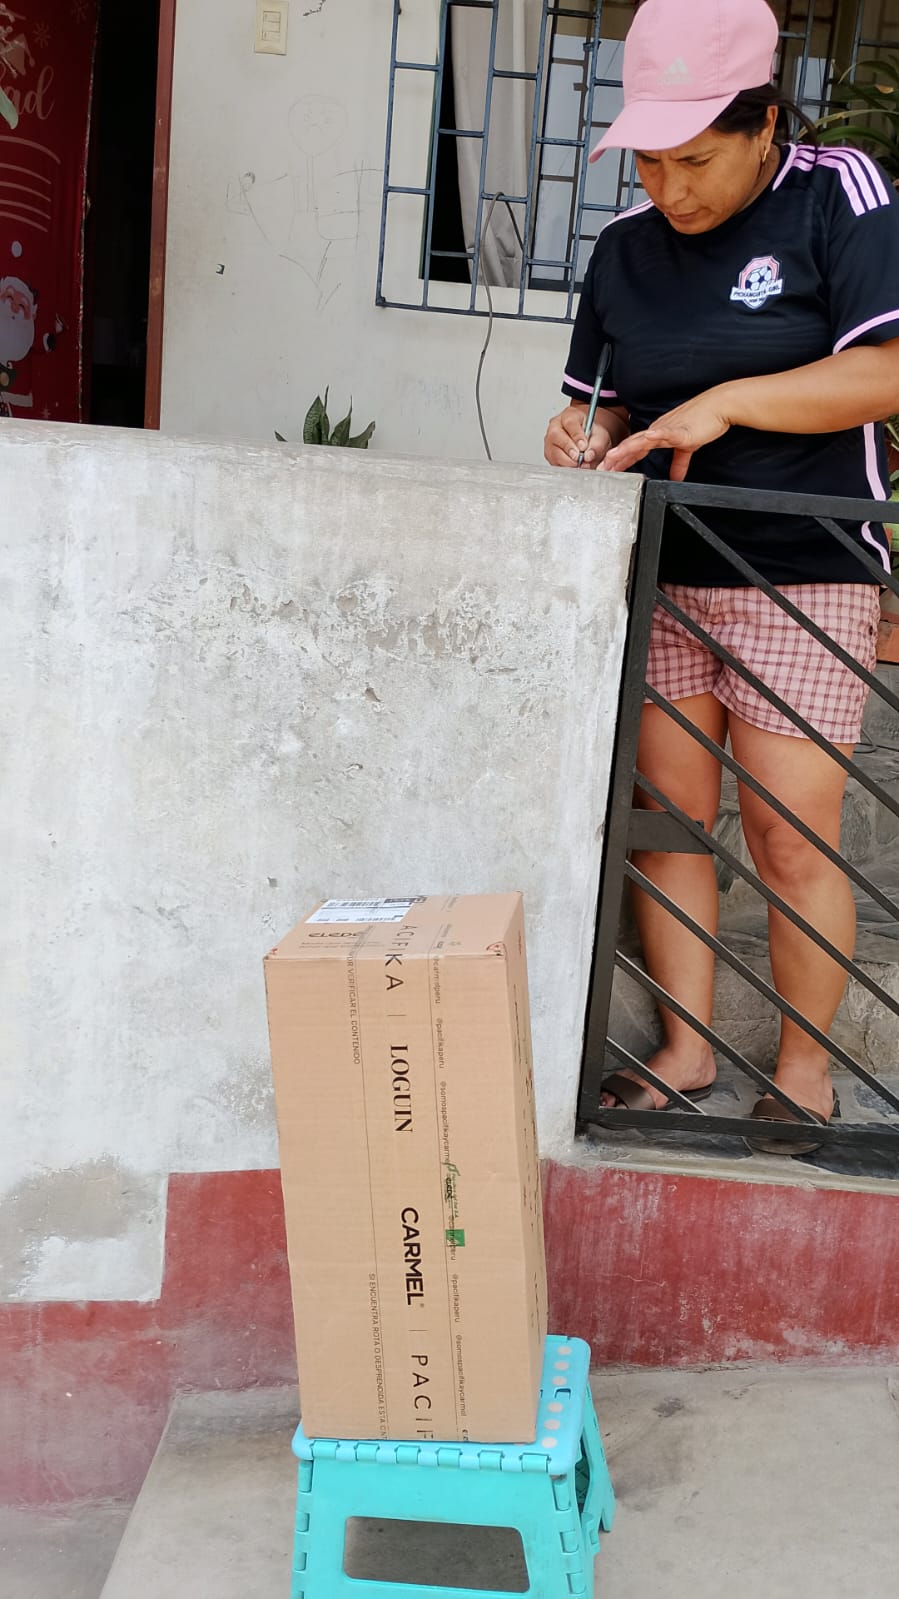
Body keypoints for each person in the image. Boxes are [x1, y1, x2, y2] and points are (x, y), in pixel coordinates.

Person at [544, 0, 899, 1153]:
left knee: (789, 837)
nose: (668, 187)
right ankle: (686, 1049)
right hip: (665, 568)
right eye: (648, 161)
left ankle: (803, 1070)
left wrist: (728, 402)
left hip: (800, 571)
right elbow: (599, 403)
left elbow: (888, 371)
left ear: (763, 125)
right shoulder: (624, 249)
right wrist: (581, 432)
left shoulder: (836, 194)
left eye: (694, 160)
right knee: (668, 827)